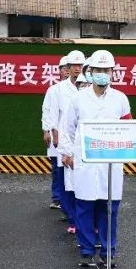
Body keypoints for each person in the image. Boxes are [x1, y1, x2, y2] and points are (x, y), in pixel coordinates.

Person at [60, 49, 132, 269]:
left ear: (112, 72)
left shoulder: (120, 99)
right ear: (90, 72)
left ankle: (108, 250)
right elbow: (67, 129)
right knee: (84, 207)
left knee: (109, 208)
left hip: (111, 164)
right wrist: (69, 152)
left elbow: (128, 129)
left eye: (106, 70)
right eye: (98, 70)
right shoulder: (79, 99)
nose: (102, 73)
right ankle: (86, 250)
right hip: (85, 164)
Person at [49, 51, 86, 233]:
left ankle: (84, 221)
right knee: (66, 181)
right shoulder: (57, 90)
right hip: (66, 140)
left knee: (84, 183)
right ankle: (72, 218)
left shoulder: (90, 88)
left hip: (86, 143)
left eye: (81, 65)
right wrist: (54, 136)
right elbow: (54, 116)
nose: (77, 69)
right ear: (68, 68)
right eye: (74, 66)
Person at [61, 68, 90, 236]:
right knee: (73, 191)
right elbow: (65, 129)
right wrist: (67, 153)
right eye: (80, 84)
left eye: (86, 83)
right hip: (74, 155)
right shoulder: (74, 102)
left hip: (94, 157)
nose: (83, 86)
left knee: (92, 195)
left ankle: (90, 226)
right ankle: (74, 222)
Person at [42, 55, 71, 210]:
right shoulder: (53, 90)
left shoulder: (82, 89)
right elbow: (47, 111)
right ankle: (57, 197)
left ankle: (69, 199)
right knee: (56, 168)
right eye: (64, 68)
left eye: (69, 67)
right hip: (56, 135)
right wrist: (46, 130)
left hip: (72, 136)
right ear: (59, 71)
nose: (67, 71)